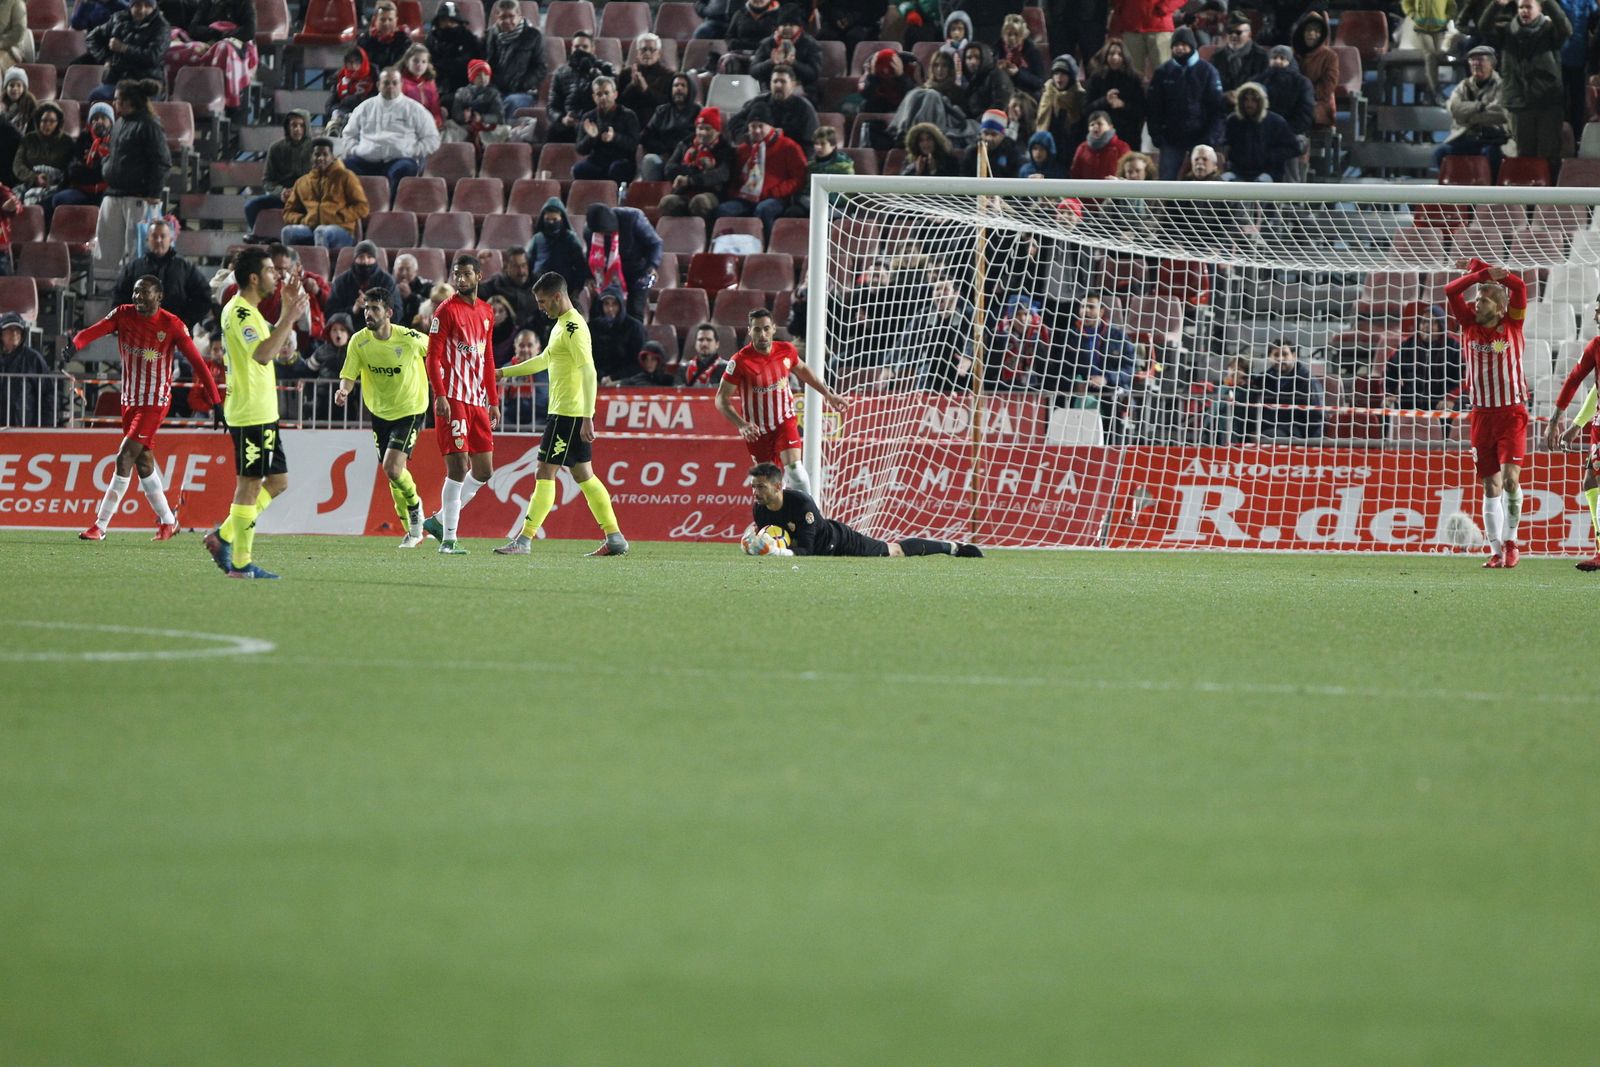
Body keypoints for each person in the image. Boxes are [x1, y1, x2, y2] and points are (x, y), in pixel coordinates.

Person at [72, 275, 221, 541]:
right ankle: (168, 520)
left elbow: (199, 364)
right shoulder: (123, 314)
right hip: (129, 400)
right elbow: (94, 330)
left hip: (154, 403)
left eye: (145, 293)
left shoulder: (172, 325)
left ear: (159, 297)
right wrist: (75, 345)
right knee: (143, 462)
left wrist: (216, 403)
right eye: (136, 292)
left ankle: (100, 525)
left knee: (124, 456)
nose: (138, 297)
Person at [495, 271, 629, 557]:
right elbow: (544, 360)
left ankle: (524, 539)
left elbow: (589, 370)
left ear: (558, 296)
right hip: (568, 412)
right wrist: (503, 372)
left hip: (567, 413)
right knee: (585, 475)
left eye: (544, 302)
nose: (541, 307)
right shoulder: (561, 325)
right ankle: (615, 536)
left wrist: (588, 416)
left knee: (544, 471)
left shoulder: (573, 328)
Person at [203, 247, 308, 580]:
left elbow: (269, 350)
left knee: (277, 482)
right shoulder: (241, 313)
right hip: (250, 413)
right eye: (269, 270)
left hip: (263, 411)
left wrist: (286, 311)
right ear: (253, 277)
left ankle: (224, 536)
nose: (275, 275)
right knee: (249, 485)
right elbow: (263, 354)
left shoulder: (251, 312)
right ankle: (241, 564)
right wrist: (289, 316)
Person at [1445, 256, 1529, 567]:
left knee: (1509, 480)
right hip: (1481, 415)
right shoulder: (1467, 323)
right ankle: (1495, 550)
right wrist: (1480, 274)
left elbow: (1519, 286)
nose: (1475, 303)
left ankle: (1511, 541)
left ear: (1500, 307)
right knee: (1489, 484)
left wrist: (1496, 275)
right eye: (1477, 298)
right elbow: (1450, 291)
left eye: (1483, 299)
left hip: (1512, 414)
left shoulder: (1514, 323)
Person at [334, 288, 432, 547]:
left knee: (392, 467)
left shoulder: (410, 338)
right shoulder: (358, 341)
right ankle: (412, 531)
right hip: (380, 413)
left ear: (388, 313)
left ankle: (415, 506)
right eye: (366, 308)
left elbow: (437, 350)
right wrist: (343, 390)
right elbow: (349, 374)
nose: (369, 313)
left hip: (411, 409)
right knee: (393, 474)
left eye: (375, 308)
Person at [716, 307, 848, 495]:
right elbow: (721, 399)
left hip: (784, 421)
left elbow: (802, 369)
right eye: (757, 329)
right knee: (770, 483)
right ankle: (779, 520)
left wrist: (828, 394)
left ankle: (810, 515)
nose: (762, 334)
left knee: (795, 470)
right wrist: (742, 425)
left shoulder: (786, 350)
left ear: (774, 328)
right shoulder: (739, 362)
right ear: (749, 331)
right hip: (757, 431)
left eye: (766, 328)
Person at [418, 254, 499, 554]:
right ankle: (449, 540)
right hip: (453, 398)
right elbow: (432, 356)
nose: (460, 279)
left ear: (479, 276)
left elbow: (487, 358)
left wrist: (493, 400)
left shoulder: (488, 312)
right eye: (456, 274)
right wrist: (438, 393)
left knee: (484, 470)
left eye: (466, 274)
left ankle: (439, 520)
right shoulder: (446, 311)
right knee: (457, 467)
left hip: (478, 401)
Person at [746, 462, 983, 557]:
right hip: (817, 547)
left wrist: (777, 553)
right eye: (754, 487)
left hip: (836, 541)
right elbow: (768, 536)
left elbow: (807, 550)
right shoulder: (760, 508)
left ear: (778, 486)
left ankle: (952, 548)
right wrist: (754, 543)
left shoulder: (801, 504)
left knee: (893, 552)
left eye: (761, 487)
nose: (756, 492)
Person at [1543, 293, 1600, 569]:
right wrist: (1571, 423)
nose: (1595, 316)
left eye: (1599, 310)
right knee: (1591, 482)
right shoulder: (1596, 346)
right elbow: (1576, 380)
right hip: (1598, 426)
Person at [95, 79, 169, 289]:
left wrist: (154, 191)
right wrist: (106, 165)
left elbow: (161, 160)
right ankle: (108, 292)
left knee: (136, 248)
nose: (114, 102)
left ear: (129, 101)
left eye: (117, 99)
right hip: (114, 194)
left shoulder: (149, 124)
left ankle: (138, 293)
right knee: (106, 246)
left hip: (138, 196)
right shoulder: (119, 124)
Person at [1483, 0, 1571, 177]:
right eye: (1521, 7)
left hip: (1548, 103)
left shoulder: (1550, 31)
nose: (1524, 11)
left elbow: (1566, 29)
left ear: (1539, 9)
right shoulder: (1506, 32)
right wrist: (1496, 5)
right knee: (1523, 155)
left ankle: (1550, 201)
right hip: (1519, 104)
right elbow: (1483, 27)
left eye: (1529, 6)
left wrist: (1550, 3)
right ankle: (1528, 202)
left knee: (1550, 155)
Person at [342, 68, 441, 201]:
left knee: (405, 169)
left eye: (394, 83)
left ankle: (390, 210)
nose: (390, 86)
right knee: (342, 167)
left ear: (401, 85)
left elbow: (432, 139)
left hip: (399, 160)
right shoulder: (364, 108)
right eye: (386, 83)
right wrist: (355, 149)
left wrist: (413, 151)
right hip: (366, 160)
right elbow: (348, 135)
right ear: (378, 85)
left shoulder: (415, 109)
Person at [1148, 27, 1227, 181]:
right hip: (1170, 140)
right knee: (1166, 182)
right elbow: (1153, 108)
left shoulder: (1208, 72)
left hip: (1201, 138)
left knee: (1203, 182)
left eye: (1184, 44)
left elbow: (1218, 109)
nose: (1179, 48)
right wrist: (1157, 135)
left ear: (1192, 46)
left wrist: (1209, 140)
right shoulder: (1162, 72)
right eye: (1176, 45)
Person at [112, 218, 212, 323]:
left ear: (171, 239)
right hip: (142, 332)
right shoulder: (134, 268)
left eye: (163, 236)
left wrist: (185, 321)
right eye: (154, 236)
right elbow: (119, 296)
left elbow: (203, 296)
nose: (159, 240)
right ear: (147, 240)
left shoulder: (185, 267)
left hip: (175, 332)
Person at [280, 137, 369, 252]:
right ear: (311, 157)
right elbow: (288, 212)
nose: (321, 158)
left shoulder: (346, 176)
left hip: (341, 230)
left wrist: (339, 216)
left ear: (332, 157)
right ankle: (289, 267)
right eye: (317, 155)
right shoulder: (302, 182)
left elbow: (363, 207)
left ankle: (320, 269)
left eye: (325, 154)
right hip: (311, 228)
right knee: (287, 232)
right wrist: (303, 220)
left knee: (321, 231)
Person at [582, 203, 661, 323]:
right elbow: (591, 254)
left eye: (606, 234)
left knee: (635, 310)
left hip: (638, 271)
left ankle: (635, 339)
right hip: (607, 275)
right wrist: (589, 276)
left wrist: (653, 266)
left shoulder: (633, 218)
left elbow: (655, 243)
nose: (604, 236)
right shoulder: (590, 231)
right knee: (600, 310)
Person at [1438, 45, 1512, 173]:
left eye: (1481, 59)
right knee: (1441, 153)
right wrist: (1479, 106)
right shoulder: (1463, 86)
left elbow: (1499, 112)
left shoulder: (1503, 86)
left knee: (1491, 155)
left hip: (1492, 139)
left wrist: (1467, 116)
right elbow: (1454, 109)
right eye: (1472, 60)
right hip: (1465, 136)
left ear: (1492, 64)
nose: (1475, 63)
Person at [1384, 304, 1463, 417]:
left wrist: (1451, 398)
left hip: (1441, 403)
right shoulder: (1407, 345)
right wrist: (1389, 393)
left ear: (1441, 325)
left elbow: (1463, 378)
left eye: (1432, 322)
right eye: (1424, 322)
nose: (1426, 326)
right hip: (1410, 402)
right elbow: (1390, 370)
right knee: (1389, 407)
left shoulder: (1454, 346)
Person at [83, 0, 168, 101]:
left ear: (154, 7)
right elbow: (92, 38)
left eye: (147, 5)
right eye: (138, 5)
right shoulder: (118, 18)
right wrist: (105, 58)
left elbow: (153, 56)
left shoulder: (162, 27)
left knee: (138, 102)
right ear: (131, 5)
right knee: (96, 96)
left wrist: (124, 48)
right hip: (117, 81)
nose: (142, 10)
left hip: (146, 83)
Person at [245, 110, 313, 236]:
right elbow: (267, 180)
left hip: (306, 199)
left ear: (306, 127)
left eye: (301, 125)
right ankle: (258, 235)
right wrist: (281, 192)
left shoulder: (315, 149)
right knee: (251, 206)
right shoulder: (275, 148)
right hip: (282, 197)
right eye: (294, 125)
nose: (297, 129)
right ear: (288, 126)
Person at [1221, 82, 1301, 181]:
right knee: (1221, 182)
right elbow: (1223, 143)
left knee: (1261, 183)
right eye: (1246, 99)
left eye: (1254, 100)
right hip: (1237, 172)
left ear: (1262, 102)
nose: (1249, 104)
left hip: (1268, 172)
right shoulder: (1233, 121)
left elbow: (1294, 148)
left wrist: (1269, 156)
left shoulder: (1276, 122)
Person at [728, 66, 818, 147]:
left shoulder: (804, 108)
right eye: (775, 81)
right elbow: (734, 122)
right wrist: (748, 135)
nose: (778, 85)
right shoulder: (758, 101)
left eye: (783, 82)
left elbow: (810, 144)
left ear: (793, 85)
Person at [548, 31, 613, 143]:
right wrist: (562, 119)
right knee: (553, 131)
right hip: (569, 121)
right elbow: (552, 106)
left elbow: (610, 101)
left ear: (593, 49)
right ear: (571, 49)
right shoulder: (561, 73)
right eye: (577, 46)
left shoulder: (603, 69)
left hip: (596, 121)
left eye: (585, 46)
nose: (580, 50)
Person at [573, 76, 641, 182]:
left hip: (622, 160)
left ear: (615, 94)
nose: (603, 97)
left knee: (616, 169)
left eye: (606, 93)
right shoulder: (588, 117)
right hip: (597, 160)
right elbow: (580, 149)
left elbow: (633, 145)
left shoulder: (629, 115)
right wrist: (591, 137)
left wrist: (614, 137)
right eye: (599, 94)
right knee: (579, 170)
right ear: (594, 97)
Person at [484, 0, 547, 115]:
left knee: (510, 103)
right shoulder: (490, 35)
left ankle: (504, 132)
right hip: (495, 89)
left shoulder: (533, 35)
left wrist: (522, 84)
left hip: (522, 92)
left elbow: (540, 68)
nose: (507, 21)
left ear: (519, 15)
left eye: (511, 16)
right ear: (496, 17)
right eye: (503, 17)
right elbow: (485, 63)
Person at [1085, 38, 1146, 151]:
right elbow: (1087, 109)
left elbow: (1141, 111)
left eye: (1119, 54)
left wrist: (1123, 105)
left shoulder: (1135, 78)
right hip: (1101, 137)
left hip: (1128, 137)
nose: (1115, 58)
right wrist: (1104, 101)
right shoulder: (1096, 78)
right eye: (1111, 54)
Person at [527, 196, 591, 302]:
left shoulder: (570, 239)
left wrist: (575, 292)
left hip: (564, 291)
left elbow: (580, 267)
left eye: (554, 219)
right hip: (539, 290)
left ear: (561, 219)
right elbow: (529, 263)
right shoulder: (537, 239)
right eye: (547, 219)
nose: (551, 223)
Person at [640, 73, 700, 181]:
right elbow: (646, 136)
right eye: (675, 86)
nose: (679, 89)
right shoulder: (661, 111)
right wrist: (663, 151)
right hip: (664, 156)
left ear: (690, 89)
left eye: (683, 85)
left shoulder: (699, 111)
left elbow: (700, 137)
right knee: (650, 160)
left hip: (687, 158)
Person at [750, 6, 822, 93]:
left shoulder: (810, 44)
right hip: (770, 89)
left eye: (791, 25)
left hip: (803, 88)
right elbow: (754, 71)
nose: (787, 28)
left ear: (800, 27)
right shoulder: (767, 43)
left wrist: (794, 63)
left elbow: (814, 74)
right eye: (783, 25)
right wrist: (771, 62)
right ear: (778, 27)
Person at [326, 240, 401, 321]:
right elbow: (330, 313)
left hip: (379, 330)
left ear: (375, 259)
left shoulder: (387, 281)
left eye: (369, 257)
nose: (365, 261)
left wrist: (375, 308)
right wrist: (353, 310)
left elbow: (397, 313)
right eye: (361, 257)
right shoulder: (341, 281)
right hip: (348, 330)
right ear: (355, 259)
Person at [1108, 0, 1185, 81]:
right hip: (1131, 27)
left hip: (1159, 27)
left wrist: (1165, 6)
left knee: (1165, 74)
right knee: (1132, 76)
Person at [1291, 10, 1340, 130]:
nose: (1312, 34)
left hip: (1319, 104)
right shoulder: (1292, 54)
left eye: (1316, 31)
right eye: (1308, 30)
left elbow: (1327, 88)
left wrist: (1304, 96)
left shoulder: (1330, 56)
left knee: (1301, 112)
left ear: (1322, 34)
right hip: (1293, 101)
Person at [590, 284, 647, 384]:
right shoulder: (592, 327)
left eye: (614, 304)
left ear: (621, 305)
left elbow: (639, 363)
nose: (610, 309)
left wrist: (614, 378)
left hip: (625, 379)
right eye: (606, 304)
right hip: (596, 378)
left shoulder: (635, 328)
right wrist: (600, 376)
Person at [426, 1, 482, 98]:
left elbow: (468, 63)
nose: (448, 24)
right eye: (444, 20)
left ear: (459, 22)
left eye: (452, 21)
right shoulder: (432, 39)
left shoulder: (468, 38)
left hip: (462, 86)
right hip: (435, 84)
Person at [618, 32, 675, 124]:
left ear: (659, 53)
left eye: (652, 50)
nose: (647, 53)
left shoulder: (668, 75)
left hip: (657, 123)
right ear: (637, 53)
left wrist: (646, 90)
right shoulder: (626, 73)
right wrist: (632, 85)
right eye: (643, 49)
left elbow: (668, 105)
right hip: (629, 123)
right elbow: (620, 103)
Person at [1213, 12, 1270, 104]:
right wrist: (1224, 95)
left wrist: (1242, 95)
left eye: (1238, 32)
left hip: (1251, 105)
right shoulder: (1217, 56)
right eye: (1230, 32)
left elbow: (1264, 84)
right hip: (1223, 105)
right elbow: (1212, 84)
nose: (1233, 35)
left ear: (1249, 34)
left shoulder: (1261, 56)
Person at [479, 246, 539, 329]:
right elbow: (478, 292)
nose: (521, 271)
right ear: (507, 266)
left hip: (533, 333)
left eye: (523, 265)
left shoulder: (539, 283)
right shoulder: (497, 282)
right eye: (516, 266)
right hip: (504, 334)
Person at [960, 109, 1023, 178]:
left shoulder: (1011, 152)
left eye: (994, 134)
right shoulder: (971, 152)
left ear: (1002, 135)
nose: (989, 138)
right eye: (986, 133)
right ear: (981, 133)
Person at [994, 12, 1046, 93]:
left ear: (1022, 36)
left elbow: (1039, 82)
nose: (1012, 38)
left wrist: (1018, 73)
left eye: (1016, 34)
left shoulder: (1032, 52)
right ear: (1003, 35)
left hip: (1025, 93)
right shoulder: (996, 50)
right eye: (1009, 34)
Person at [1070, 111, 1131, 179]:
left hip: (1113, 189)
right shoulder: (1082, 148)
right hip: (1088, 189)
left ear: (1110, 127)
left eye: (1100, 124)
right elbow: (1075, 173)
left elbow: (1128, 171)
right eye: (1092, 124)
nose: (1095, 126)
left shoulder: (1121, 147)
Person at [357, 0, 412, 73]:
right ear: (375, 20)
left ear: (396, 21)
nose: (386, 23)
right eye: (382, 19)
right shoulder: (364, 41)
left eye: (390, 19)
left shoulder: (404, 41)